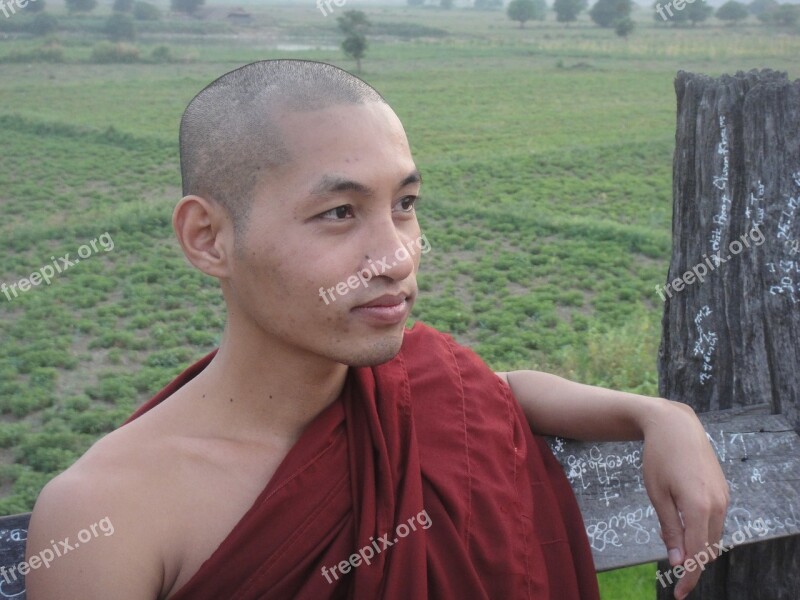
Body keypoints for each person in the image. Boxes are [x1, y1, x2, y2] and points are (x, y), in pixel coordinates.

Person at [25, 60, 728, 600]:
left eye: (406, 204)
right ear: (208, 238)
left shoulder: (425, 389)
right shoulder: (107, 515)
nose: (396, 256)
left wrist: (654, 414)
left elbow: (492, 394)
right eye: (338, 212)